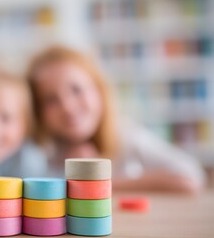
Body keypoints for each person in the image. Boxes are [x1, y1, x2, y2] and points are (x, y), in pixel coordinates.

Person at [26, 45, 206, 194]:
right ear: (37, 111)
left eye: (76, 89)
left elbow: (191, 177)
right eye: (50, 99)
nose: (67, 107)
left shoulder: (126, 136)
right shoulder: (41, 153)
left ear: (99, 90)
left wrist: (96, 181)